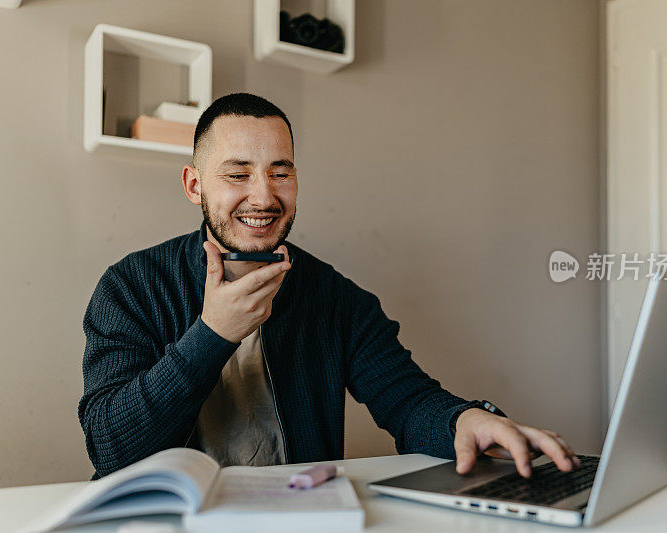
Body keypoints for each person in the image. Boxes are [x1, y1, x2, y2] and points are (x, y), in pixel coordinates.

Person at [78, 93, 580, 480]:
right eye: (237, 174)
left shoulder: (335, 299)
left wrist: (465, 420)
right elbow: (111, 448)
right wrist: (213, 333)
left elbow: (407, 403)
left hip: (299, 517)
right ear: (194, 186)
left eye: (281, 172)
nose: (263, 195)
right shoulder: (131, 287)